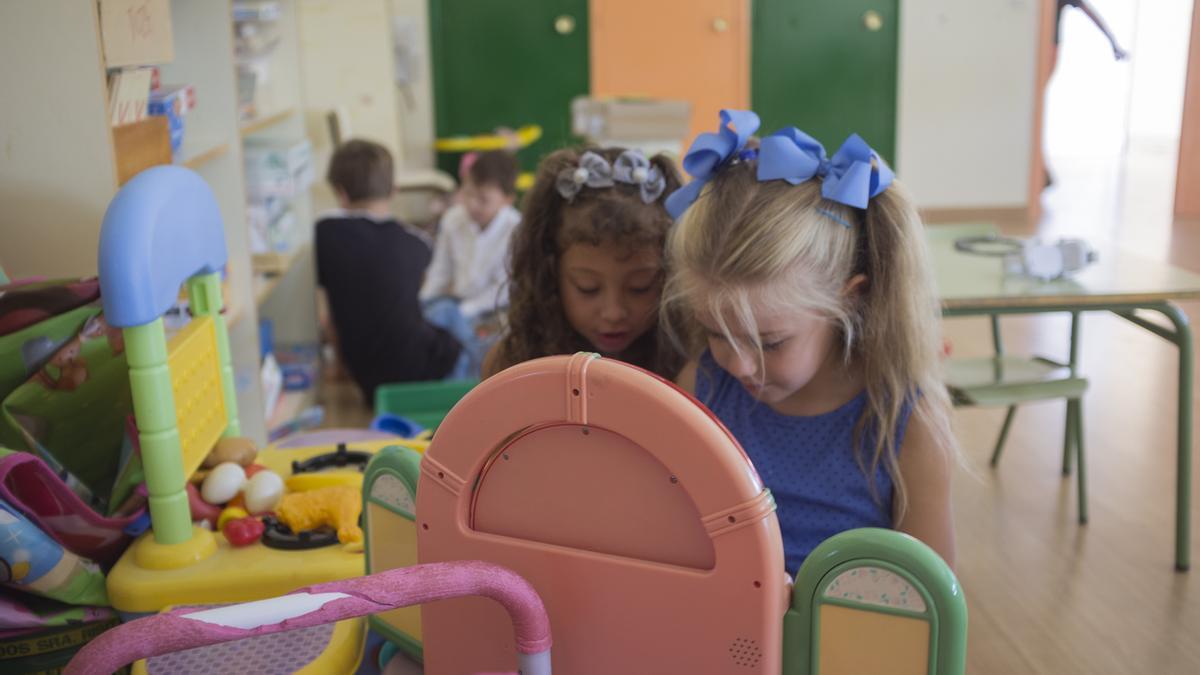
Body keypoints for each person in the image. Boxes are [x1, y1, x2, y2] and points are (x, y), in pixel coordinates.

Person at [664, 110, 957, 574]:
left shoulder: (906, 423)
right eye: (717, 333)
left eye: (770, 342)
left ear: (851, 301)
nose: (738, 365)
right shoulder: (702, 388)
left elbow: (928, 605)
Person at [482, 146, 683, 380]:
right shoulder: (511, 364)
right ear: (550, 275)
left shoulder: (692, 368)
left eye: (640, 287)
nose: (613, 313)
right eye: (587, 287)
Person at [315, 139, 467, 402]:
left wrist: (339, 368)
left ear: (341, 193)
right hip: (421, 372)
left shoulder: (325, 234)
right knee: (450, 312)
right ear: (394, 191)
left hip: (368, 380)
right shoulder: (416, 243)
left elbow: (331, 318)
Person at [420, 150, 522, 376]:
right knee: (436, 317)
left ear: (507, 200)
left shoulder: (515, 229)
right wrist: (423, 304)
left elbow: (503, 289)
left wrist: (464, 312)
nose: (473, 205)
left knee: (492, 348)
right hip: (457, 305)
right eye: (468, 194)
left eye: (483, 199)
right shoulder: (453, 220)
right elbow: (439, 272)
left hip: (495, 311)